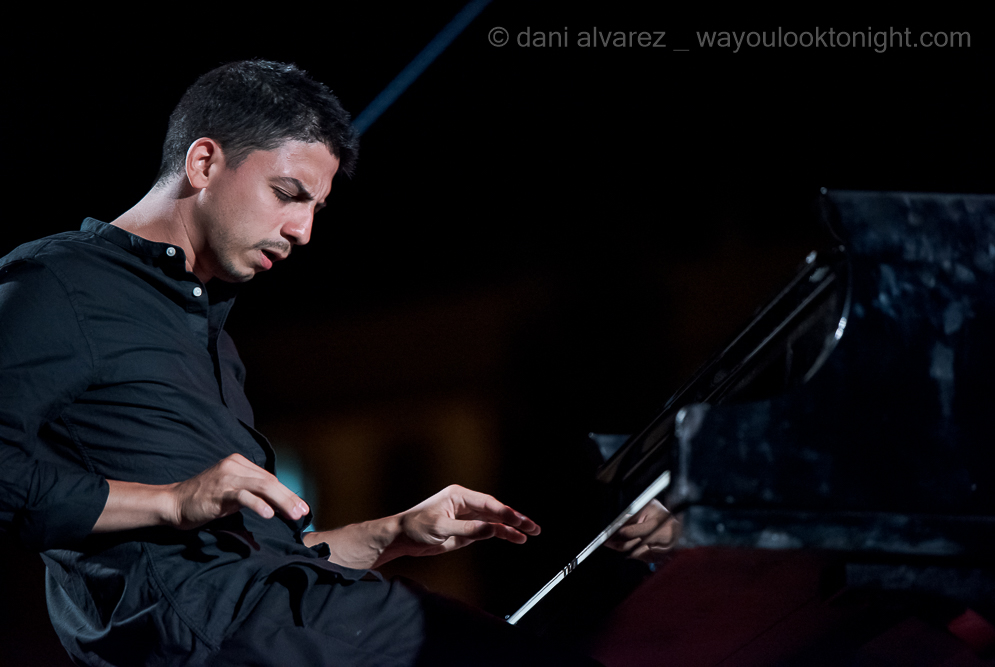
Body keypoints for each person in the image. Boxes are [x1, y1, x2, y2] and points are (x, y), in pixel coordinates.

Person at [0, 60, 671, 666]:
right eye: (288, 192)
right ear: (203, 162)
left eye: (316, 208)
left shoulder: (212, 339)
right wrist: (174, 500)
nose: (303, 231)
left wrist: (392, 532)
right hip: (215, 630)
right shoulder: (57, 282)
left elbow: (263, 561)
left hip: (265, 620)